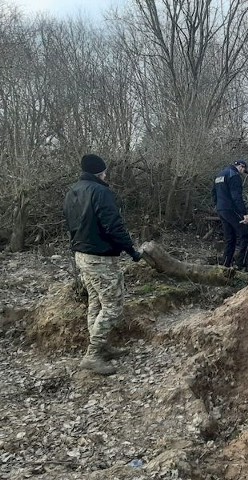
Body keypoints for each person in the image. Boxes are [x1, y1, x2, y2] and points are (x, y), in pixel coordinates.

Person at [63, 154, 142, 376]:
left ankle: (102, 346)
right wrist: (132, 251)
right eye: (105, 171)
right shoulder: (101, 191)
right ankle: (93, 354)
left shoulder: (72, 191)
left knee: (96, 302)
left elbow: (70, 224)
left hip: (82, 255)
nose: (107, 175)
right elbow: (113, 225)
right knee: (114, 307)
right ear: (101, 172)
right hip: (100, 258)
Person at [212, 159, 248, 270]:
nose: (242, 173)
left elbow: (213, 193)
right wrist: (244, 214)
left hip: (221, 209)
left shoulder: (219, 175)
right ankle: (241, 265)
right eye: (243, 170)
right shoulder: (234, 176)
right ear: (241, 166)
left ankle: (225, 264)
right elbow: (236, 197)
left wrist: (218, 206)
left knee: (230, 238)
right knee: (246, 235)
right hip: (231, 209)